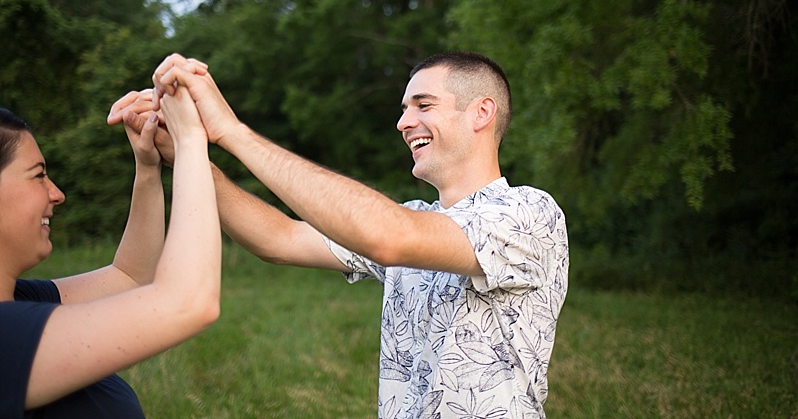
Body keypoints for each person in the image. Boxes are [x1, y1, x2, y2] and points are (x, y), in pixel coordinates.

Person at [110, 50, 569, 418]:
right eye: (403, 109)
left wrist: (231, 132)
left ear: (482, 112)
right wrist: (187, 153)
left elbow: (387, 235)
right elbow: (281, 239)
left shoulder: (528, 213)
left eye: (423, 105)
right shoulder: (416, 216)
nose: (403, 122)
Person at [0, 86, 220, 418]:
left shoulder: (21, 302)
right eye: (39, 176)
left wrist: (147, 167)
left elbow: (130, 276)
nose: (56, 193)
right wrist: (190, 140)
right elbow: (188, 303)